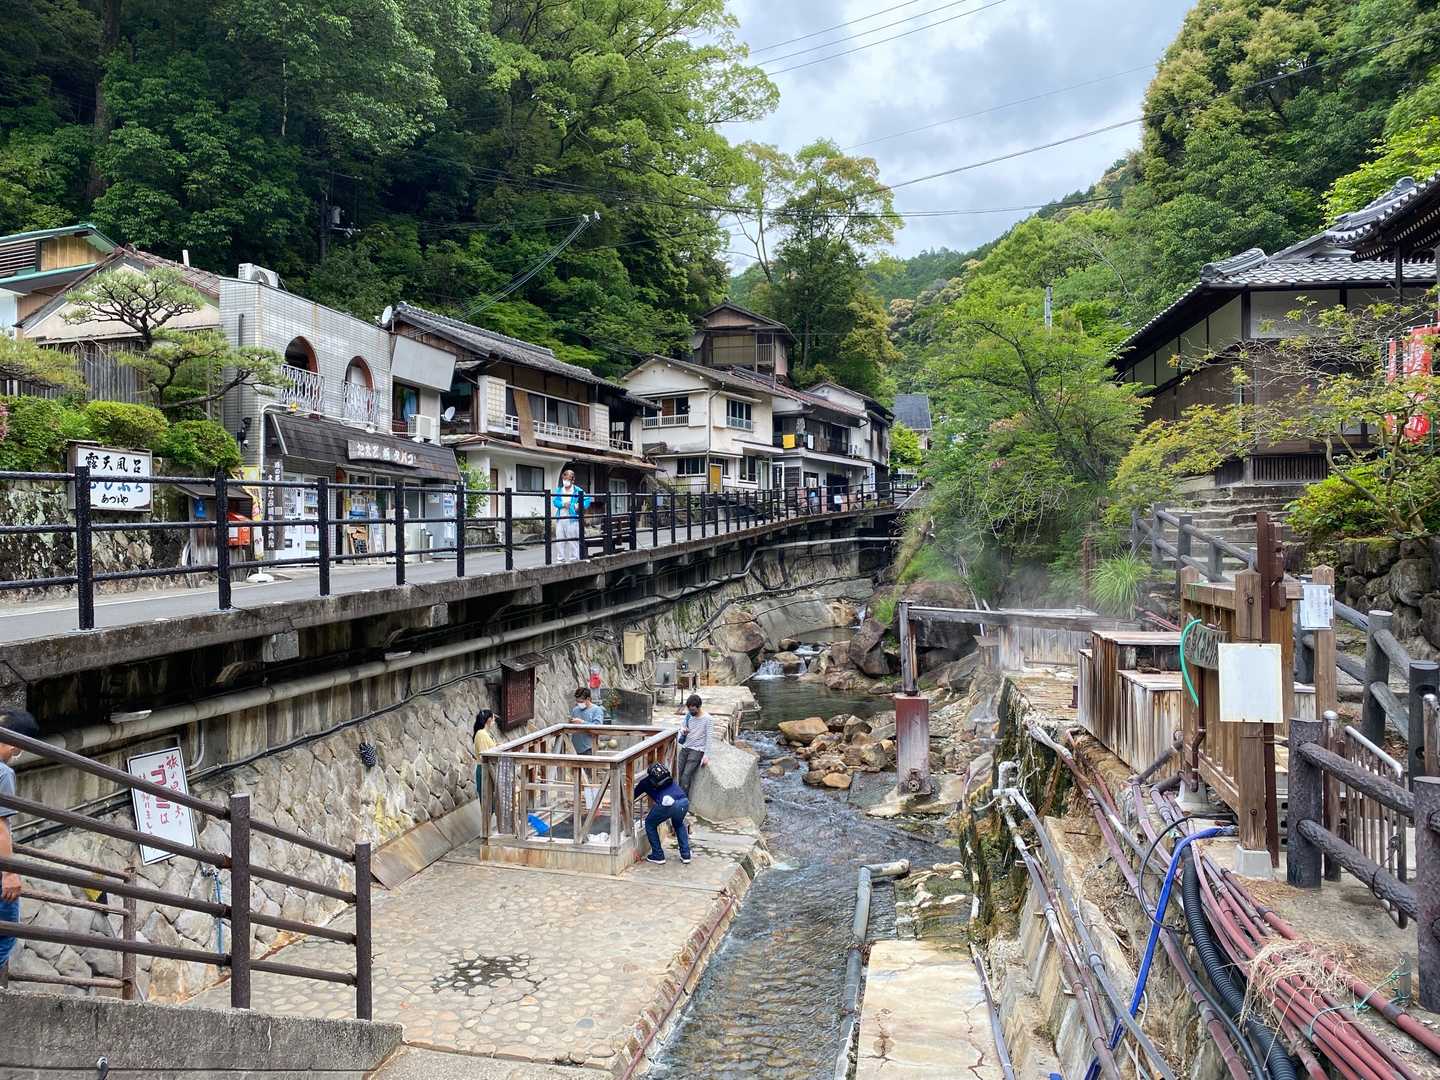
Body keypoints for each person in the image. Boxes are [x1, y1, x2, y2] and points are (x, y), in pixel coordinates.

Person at [0, 707, 39, 988]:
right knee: (6, 932)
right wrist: (10, 872)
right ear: (17, 745)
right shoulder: (3, 773)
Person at [632, 762, 691, 865]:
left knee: (650, 823)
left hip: (667, 804)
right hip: (684, 801)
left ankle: (658, 855)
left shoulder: (645, 782)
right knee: (678, 824)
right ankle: (686, 855)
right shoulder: (669, 779)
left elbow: (631, 796)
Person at [552, 469, 592, 563]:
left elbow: (587, 500)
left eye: (568, 479)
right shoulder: (559, 490)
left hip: (572, 518)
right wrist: (563, 504)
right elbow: (555, 501)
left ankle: (574, 559)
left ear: (573, 480)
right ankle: (560, 559)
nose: (565, 481)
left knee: (573, 539)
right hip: (561, 517)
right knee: (560, 539)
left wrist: (578, 505)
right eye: (564, 479)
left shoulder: (577, 490)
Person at [675, 693, 711, 795]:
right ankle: (676, 797)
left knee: (686, 775)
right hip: (685, 747)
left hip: (697, 750)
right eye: (689, 710)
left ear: (699, 707)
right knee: (677, 772)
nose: (691, 712)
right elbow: (681, 728)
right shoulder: (688, 716)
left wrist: (706, 755)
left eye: (693, 710)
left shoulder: (708, 719)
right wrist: (683, 731)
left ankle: (683, 800)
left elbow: (709, 738)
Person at [570, 687, 606, 754]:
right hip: (576, 746)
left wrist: (582, 722)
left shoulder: (597, 710)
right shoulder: (575, 710)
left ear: (588, 699)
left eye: (581, 701)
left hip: (590, 747)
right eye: (577, 701)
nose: (579, 703)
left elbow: (598, 727)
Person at [472, 708, 497, 804]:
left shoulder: (484, 734)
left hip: (488, 769)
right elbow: (484, 755)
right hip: (485, 769)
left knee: (491, 801)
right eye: (493, 718)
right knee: (487, 802)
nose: (494, 721)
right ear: (489, 720)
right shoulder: (481, 734)